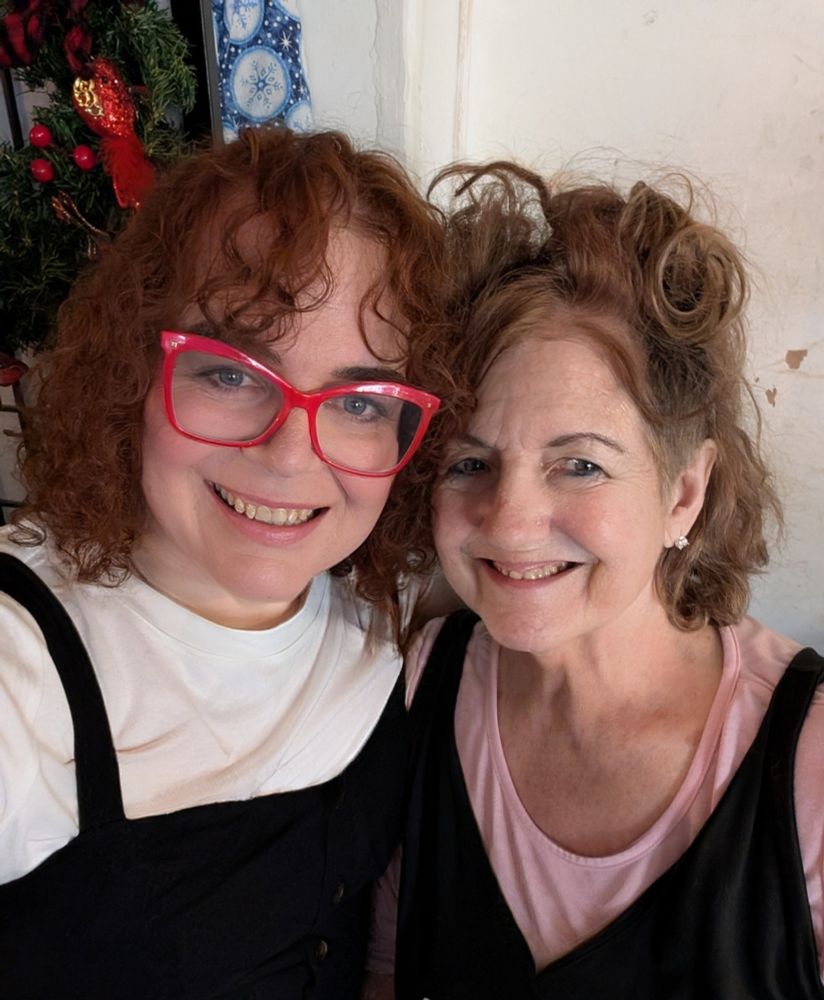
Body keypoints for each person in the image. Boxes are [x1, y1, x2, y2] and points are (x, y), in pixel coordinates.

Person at [0, 126, 451, 999]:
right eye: (233, 372)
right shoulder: (22, 672)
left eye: (359, 399)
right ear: (135, 370)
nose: (290, 454)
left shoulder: (376, 612)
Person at [368, 163, 824, 999]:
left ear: (684, 491)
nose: (508, 522)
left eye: (579, 464)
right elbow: (388, 970)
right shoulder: (422, 683)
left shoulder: (808, 764)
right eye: (471, 462)